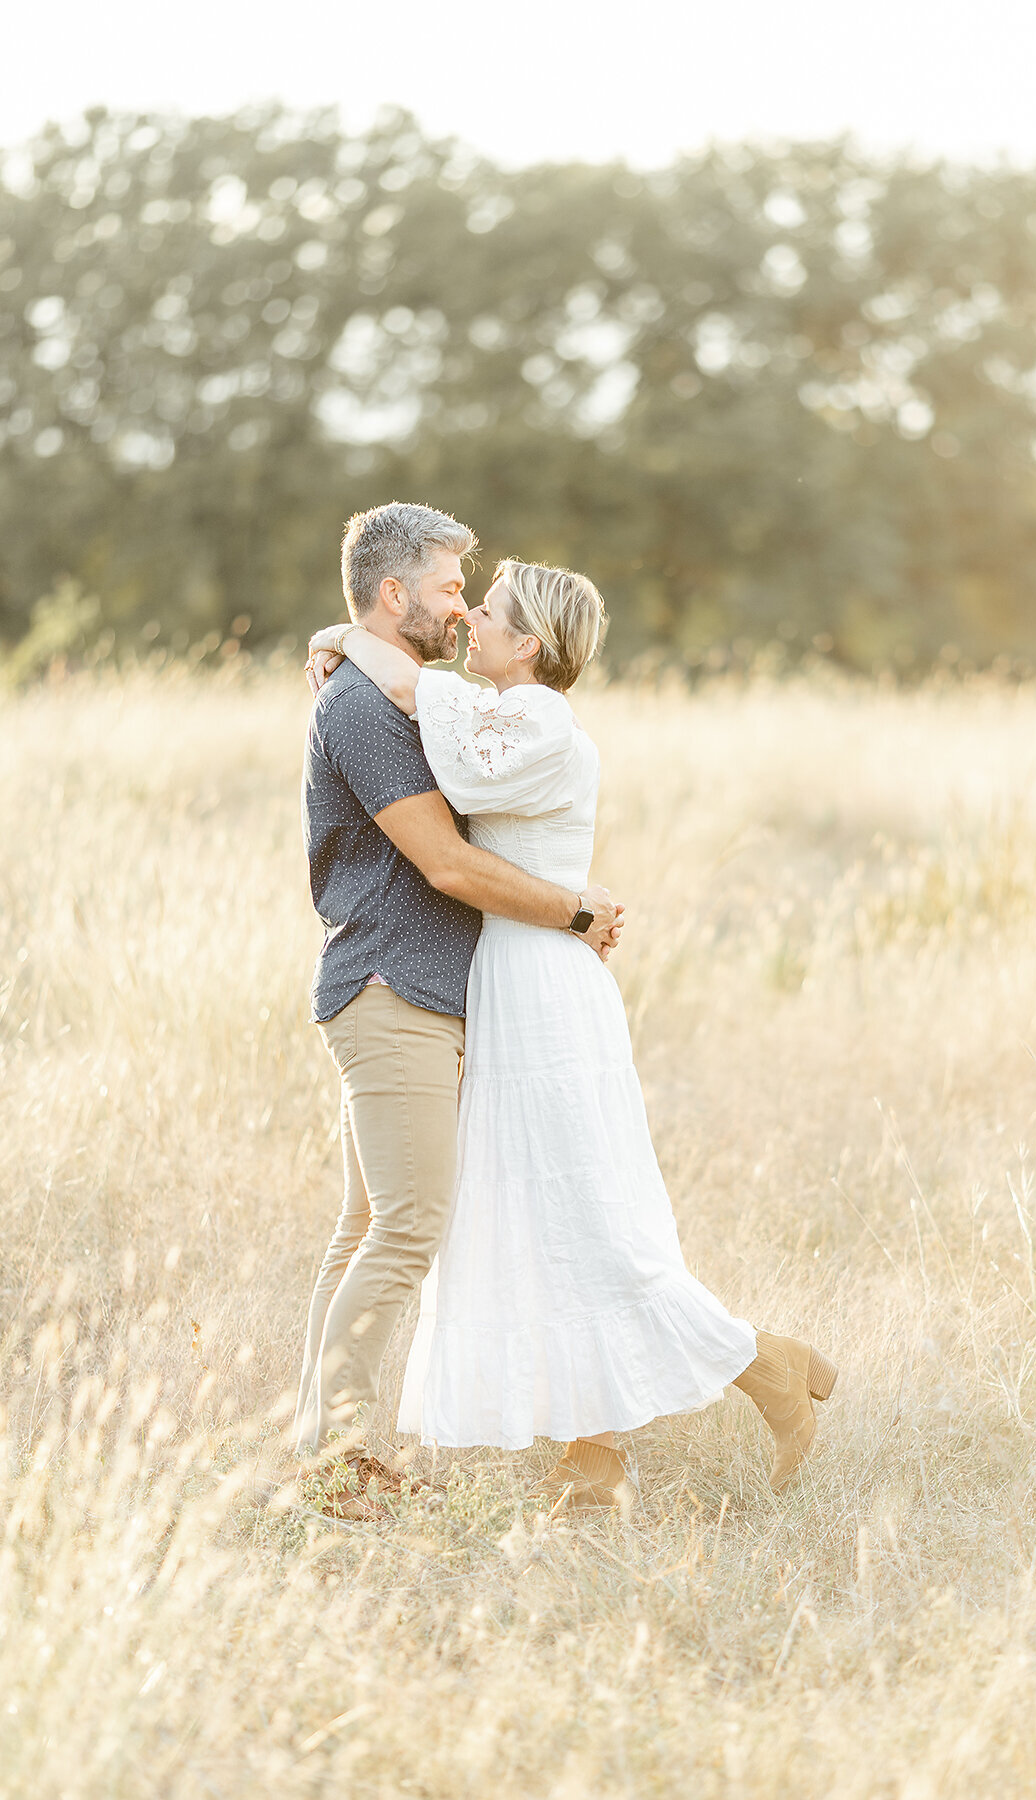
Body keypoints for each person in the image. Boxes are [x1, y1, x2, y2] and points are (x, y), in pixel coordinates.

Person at [305, 552, 838, 1509]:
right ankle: (592, 1460)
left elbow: (454, 763)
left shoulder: (539, 725)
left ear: (530, 645)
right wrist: (350, 641)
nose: (470, 623)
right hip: (506, 978)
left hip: (543, 983)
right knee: (539, 1217)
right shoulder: (503, 710)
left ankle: (767, 1365)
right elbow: (436, 715)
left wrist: (347, 637)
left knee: (588, 1217)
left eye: (489, 613)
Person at [293, 502, 622, 1514]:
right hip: (394, 991)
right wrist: (574, 908)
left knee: (367, 1226)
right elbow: (443, 861)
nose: (459, 607)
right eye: (445, 589)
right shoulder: (363, 711)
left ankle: (323, 1446)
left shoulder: (395, 697)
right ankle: (343, 1467)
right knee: (410, 1225)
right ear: (394, 594)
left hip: (413, 991)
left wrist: (343, 637)